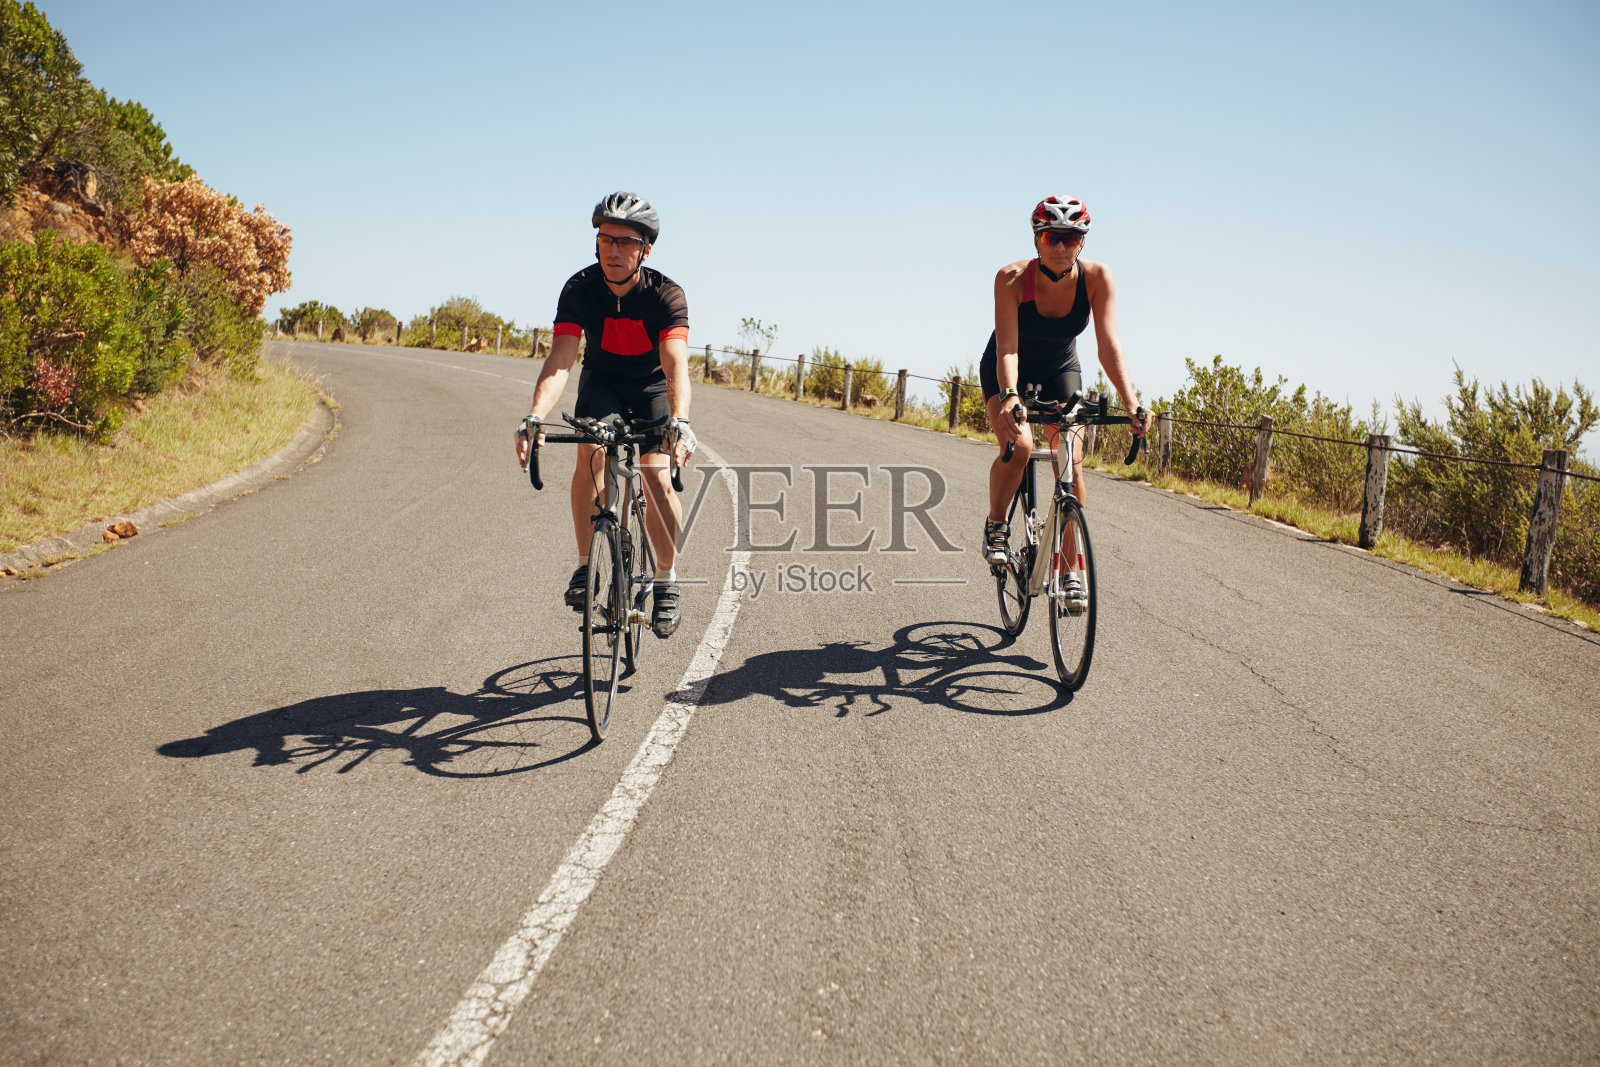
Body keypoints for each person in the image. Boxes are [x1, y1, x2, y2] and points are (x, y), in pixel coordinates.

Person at [514, 192, 695, 638]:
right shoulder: (580, 289)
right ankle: (585, 564)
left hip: (652, 386)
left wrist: (680, 421)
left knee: (655, 476)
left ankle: (666, 580)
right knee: (591, 456)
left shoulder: (666, 295)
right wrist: (535, 415)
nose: (612, 250)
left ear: (645, 249)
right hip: (603, 383)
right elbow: (560, 360)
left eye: (625, 242)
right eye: (604, 239)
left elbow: (675, 364)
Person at [980, 195, 1153, 608]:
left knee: (1070, 464)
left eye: (1071, 238)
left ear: (1082, 242)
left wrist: (1131, 404)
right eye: (1053, 237)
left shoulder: (1096, 278)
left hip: (1061, 368)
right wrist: (1008, 398)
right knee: (1019, 445)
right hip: (1010, 369)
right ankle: (997, 525)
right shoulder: (1011, 278)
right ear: (1038, 239)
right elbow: (1007, 349)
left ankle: (1071, 567)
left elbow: (1109, 346)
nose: (1061, 246)